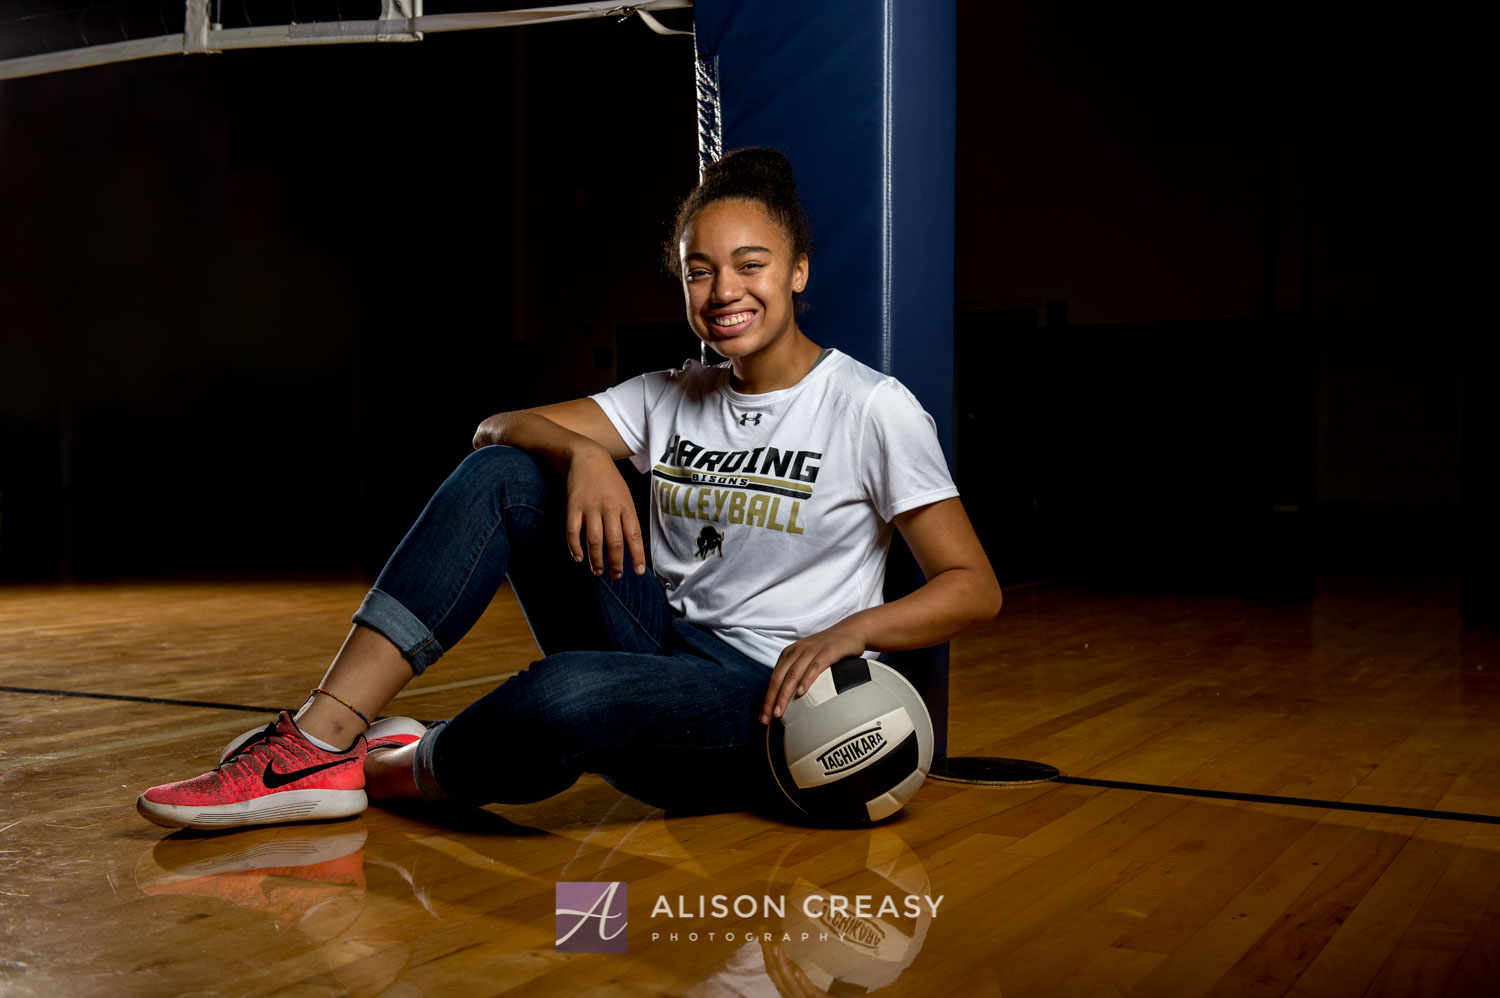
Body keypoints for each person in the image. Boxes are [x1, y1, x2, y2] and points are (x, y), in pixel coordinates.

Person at [137, 148, 1001, 830]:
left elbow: (973, 588)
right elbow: (494, 428)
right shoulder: (669, 393)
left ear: (798, 271)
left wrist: (851, 631)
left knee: (565, 694)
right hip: (658, 641)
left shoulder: (871, 408)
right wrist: (585, 456)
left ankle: (406, 768)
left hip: (766, 696)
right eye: (699, 270)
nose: (723, 291)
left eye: (750, 264)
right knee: (508, 475)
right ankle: (316, 744)